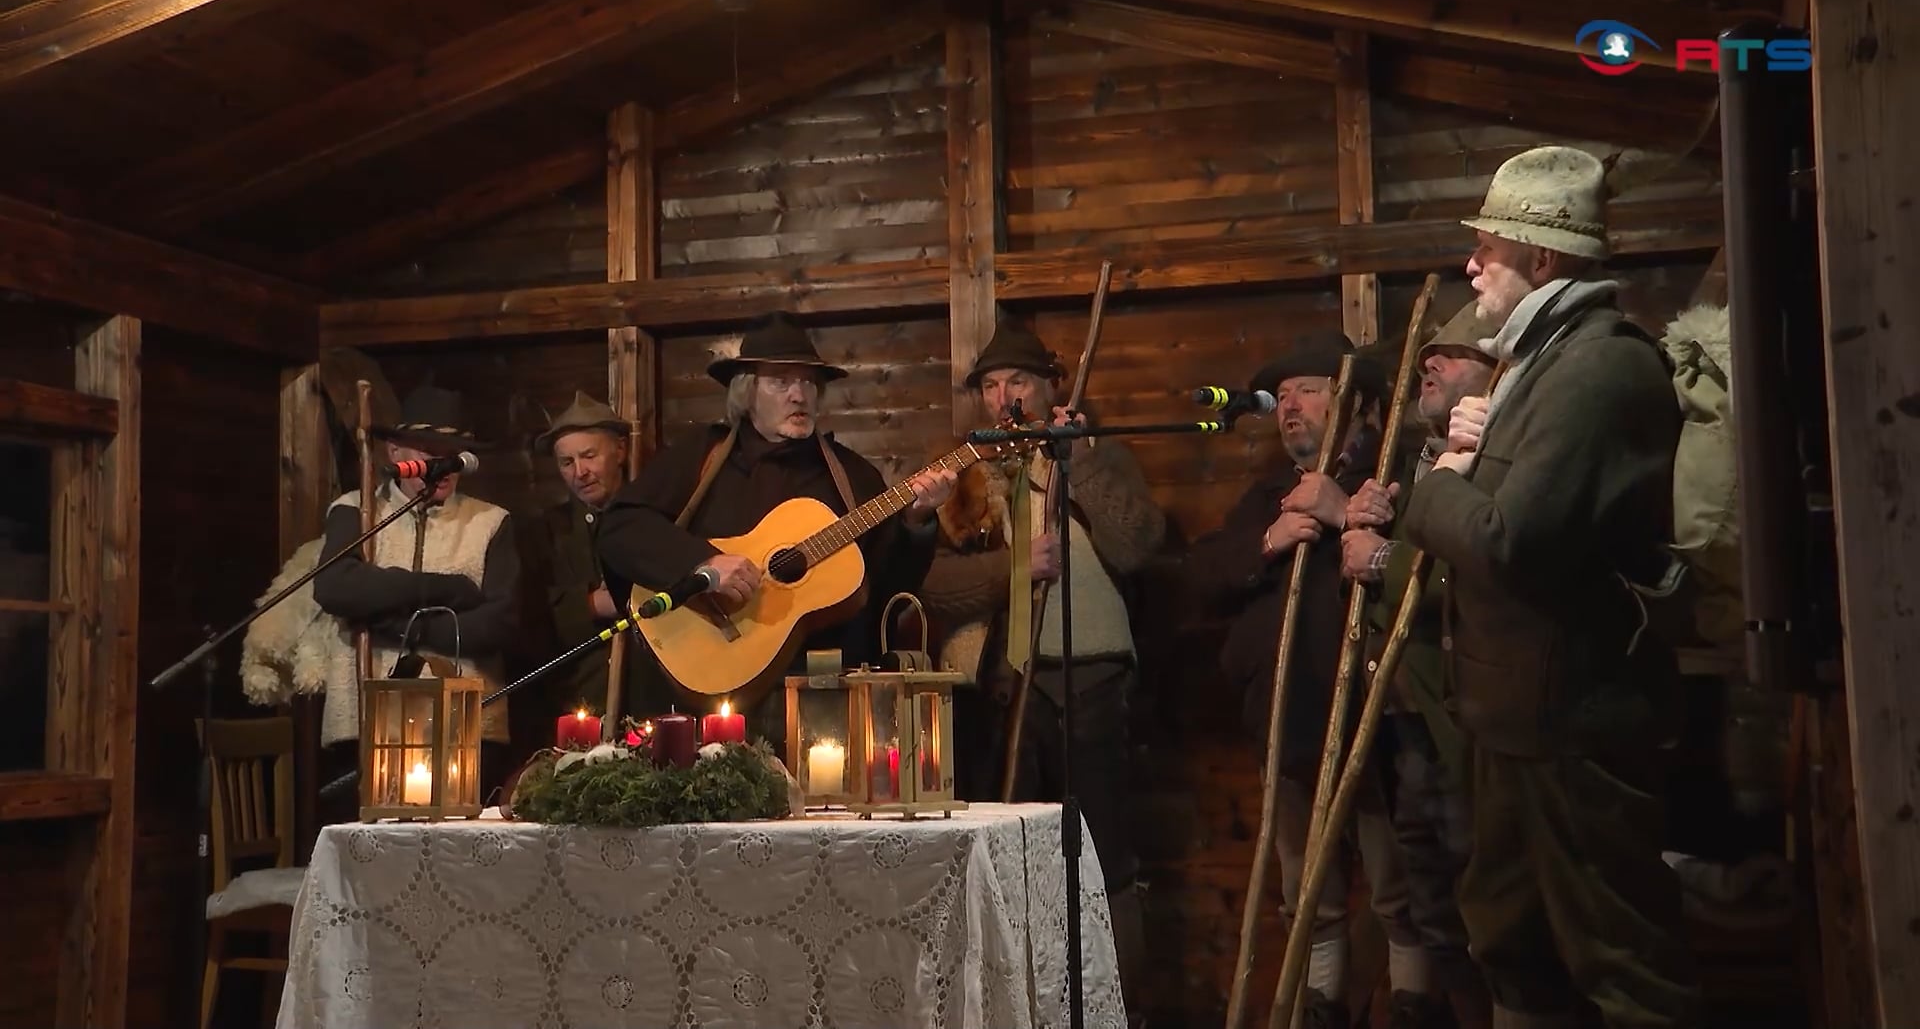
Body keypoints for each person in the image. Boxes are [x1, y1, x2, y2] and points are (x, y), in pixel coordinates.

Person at [1388, 145, 1699, 1029]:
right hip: (1515, 719)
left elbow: (1507, 540)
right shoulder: (1537, 362)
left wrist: (1439, 480)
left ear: (1546, 259)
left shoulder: (1598, 366)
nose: (1472, 264)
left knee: (1622, 960)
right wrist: (1461, 460)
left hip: (1572, 726)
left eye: (1490, 247)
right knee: (1513, 948)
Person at [1185, 330, 1434, 1029]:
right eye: (1283, 396)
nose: (1289, 406)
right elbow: (1203, 575)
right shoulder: (1269, 494)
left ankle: (1413, 1008)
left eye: (1311, 391)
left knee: (1400, 888)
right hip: (1288, 718)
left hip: (1378, 720)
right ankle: (1319, 1009)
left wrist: (1340, 515)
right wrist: (1272, 539)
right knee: (1307, 893)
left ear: (1357, 406)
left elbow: (1427, 567)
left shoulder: (1396, 477)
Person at [916, 326, 1165, 1017]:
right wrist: (1015, 568)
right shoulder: (961, 473)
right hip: (993, 692)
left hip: (1090, 680)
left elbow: (1140, 544)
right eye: (991, 387)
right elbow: (928, 581)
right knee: (1002, 864)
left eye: (1017, 383)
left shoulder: (1097, 454)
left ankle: (1112, 1008)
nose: (1004, 398)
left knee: (1102, 859)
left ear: (1050, 387)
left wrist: (1077, 462)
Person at [593, 311, 957, 741]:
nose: (798, 395)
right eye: (781, 382)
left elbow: (886, 588)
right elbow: (619, 530)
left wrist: (916, 523)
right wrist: (703, 564)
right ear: (747, 393)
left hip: (819, 704)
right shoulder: (701, 457)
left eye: (807, 383)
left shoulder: (853, 477)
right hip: (700, 698)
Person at [1340, 300, 1502, 1029]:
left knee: (1489, 910)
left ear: (1497, 375)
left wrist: (1381, 557)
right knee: (1436, 912)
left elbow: (1473, 574)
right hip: (1404, 725)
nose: (1432, 362)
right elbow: (1390, 608)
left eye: (1455, 353)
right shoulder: (1412, 468)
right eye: (1427, 353)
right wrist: (1369, 523)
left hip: (1467, 723)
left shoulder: (1496, 462)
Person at [310, 383, 521, 800]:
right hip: (365, 720)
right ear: (396, 454)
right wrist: (447, 590)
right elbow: (334, 586)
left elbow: (499, 623)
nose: (442, 463)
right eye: (427, 450)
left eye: (452, 451)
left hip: (464, 726)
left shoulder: (491, 522)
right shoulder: (357, 508)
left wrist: (404, 628)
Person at [527, 391, 675, 720]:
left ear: (620, 450)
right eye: (567, 462)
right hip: (577, 705)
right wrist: (592, 604)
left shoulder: (659, 521)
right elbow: (530, 619)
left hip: (655, 700)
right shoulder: (546, 534)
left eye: (589, 456)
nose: (580, 471)